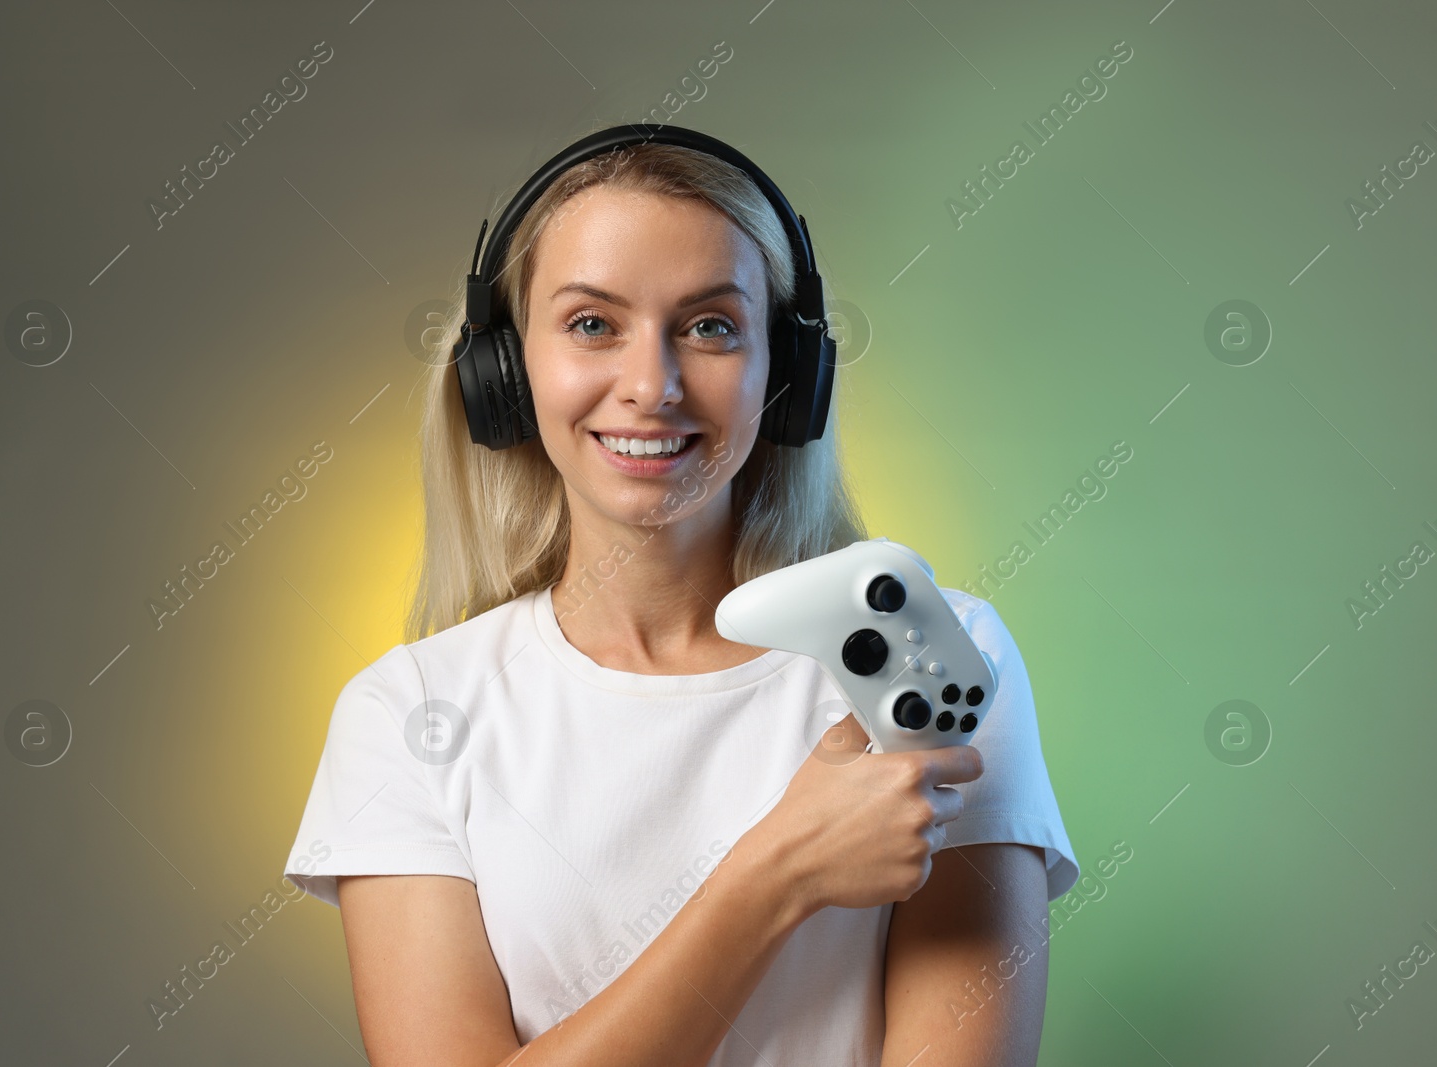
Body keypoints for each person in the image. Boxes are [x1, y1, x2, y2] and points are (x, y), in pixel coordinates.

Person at [283, 124, 1078, 1067]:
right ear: (503, 371)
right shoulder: (410, 712)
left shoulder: (928, 650)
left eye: (710, 326)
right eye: (591, 324)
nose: (652, 386)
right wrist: (775, 873)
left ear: (787, 376)